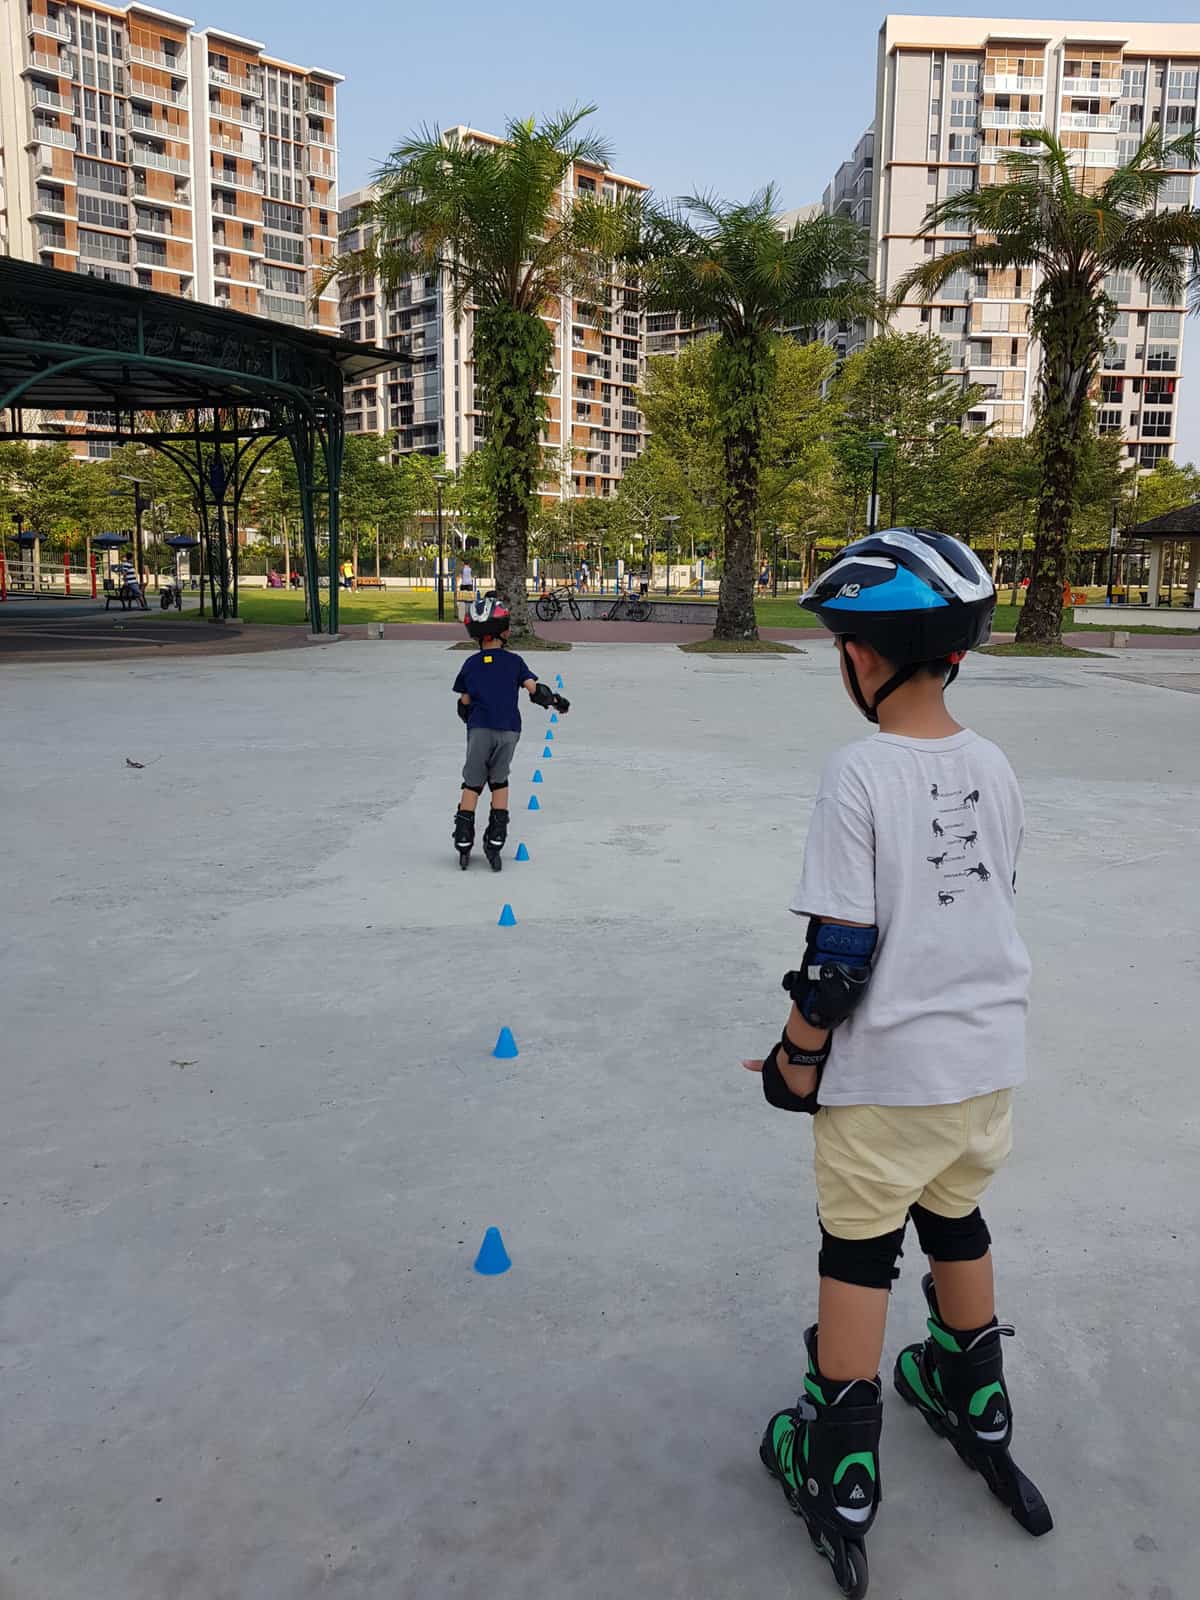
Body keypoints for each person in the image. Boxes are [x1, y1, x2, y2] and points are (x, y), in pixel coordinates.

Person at [746, 528, 1050, 1596]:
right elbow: (985, 901)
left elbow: (838, 957)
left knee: (860, 1250)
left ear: (861, 658)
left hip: (888, 1077)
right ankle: (977, 1396)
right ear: (954, 656)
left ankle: (840, 1456)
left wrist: (796, 1058)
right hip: (987, 1067)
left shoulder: (859, 771)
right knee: (957, 1217)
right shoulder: (994, 762)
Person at [451, 594, 570, 871]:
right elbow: (536, 691)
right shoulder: (515, 661)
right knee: (500, 780)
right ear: (504, 631)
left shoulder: (470, 664)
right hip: (509, 731)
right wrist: (556, 702)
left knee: (472, 783)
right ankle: (495, 840)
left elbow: (464, 703)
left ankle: (464, 840)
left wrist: (468, 711)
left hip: (480, 730)